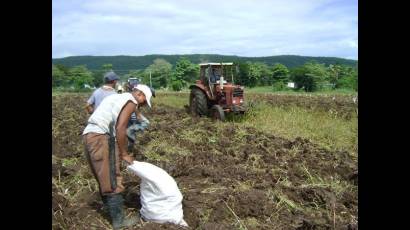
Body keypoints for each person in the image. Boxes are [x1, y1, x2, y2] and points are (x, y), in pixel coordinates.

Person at [82, 84, 153, 229]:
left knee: (104, 177)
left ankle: (110, 212)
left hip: (89, 134)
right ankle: (119, 222)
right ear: (140, 94)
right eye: (144, 101)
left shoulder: (116, 97)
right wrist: (124, 153)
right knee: (113, 178)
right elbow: (120, 127)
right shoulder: (131, 101)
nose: (143, 105)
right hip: (101, 137)